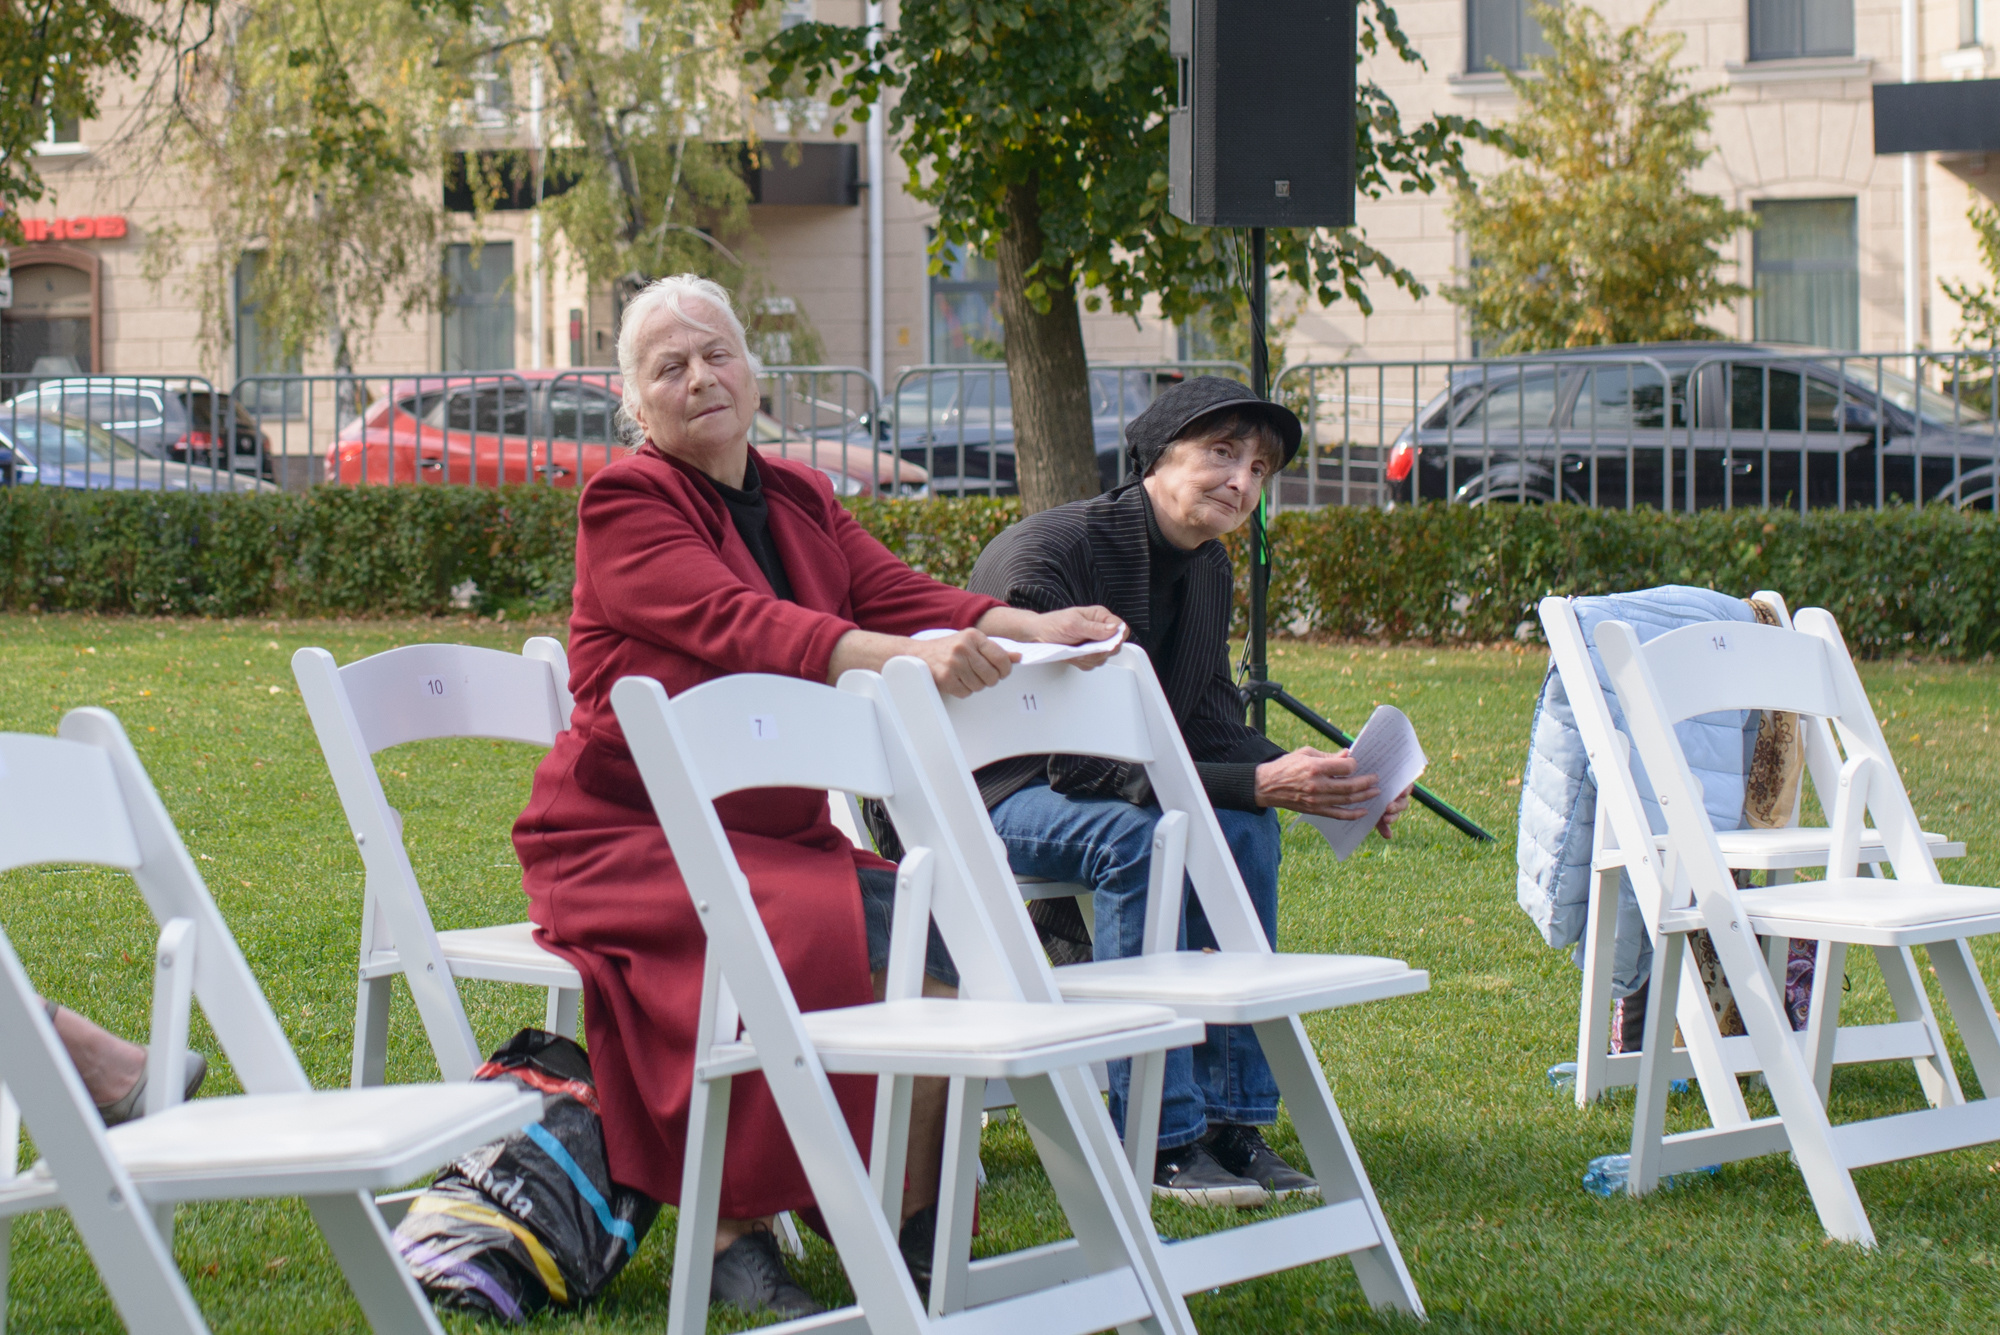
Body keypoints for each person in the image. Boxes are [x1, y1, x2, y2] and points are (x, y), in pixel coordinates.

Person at [511, 275, 1121, 1320]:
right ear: (636, 404)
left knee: (948, 950)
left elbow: (893, 590)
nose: (699, 376)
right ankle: (729, 1230)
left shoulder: (796, 495)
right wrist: (903, 660)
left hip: (776, 832)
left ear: (752, 369)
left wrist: (1023, 624)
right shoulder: (625, 501)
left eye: (716, 354)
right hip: (626, 836)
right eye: (668, 367)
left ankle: (906, 1222)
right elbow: (734, 621)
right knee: (772, 951)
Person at [968, 376, 1412, 1209]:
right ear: (1152, 460)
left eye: (1259, 467)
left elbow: (1207, 718)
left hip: (1103, 783)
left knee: (1245, 829)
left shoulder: (1206, 565)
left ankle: (1231, 1122)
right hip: (994, 788)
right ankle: (1157, 1135)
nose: (1242, 481)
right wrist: (1255, 780)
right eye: (1221, 453)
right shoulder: (1054, 558)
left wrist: (1323, 776)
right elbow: (1072, 763)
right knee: (1141, 838)